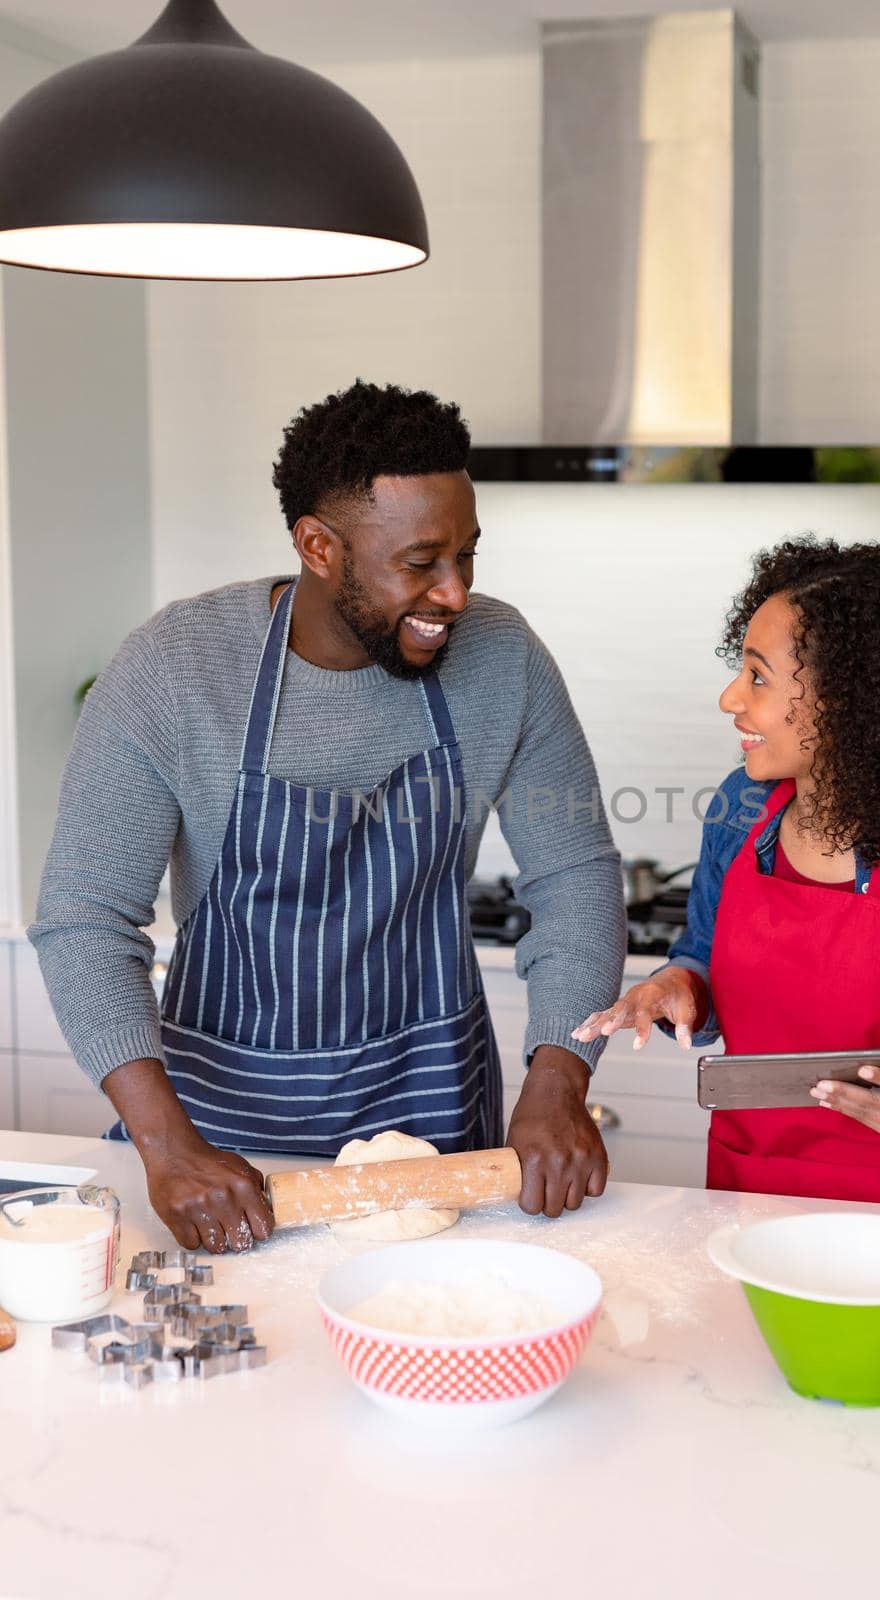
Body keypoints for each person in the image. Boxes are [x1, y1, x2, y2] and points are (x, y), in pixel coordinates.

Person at [31, 380, 626, 1249]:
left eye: (468, 556)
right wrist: (165, 1144)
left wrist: (560, 1077)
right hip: (210, 1131)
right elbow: (84, 919)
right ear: (318, 545)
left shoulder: (504, 659)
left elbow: (573, 876)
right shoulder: (177, 669)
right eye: (421, 563)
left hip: (429, 1114)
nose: (455, 593)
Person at [574, 538, 880, 1208]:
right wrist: (676, 983)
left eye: (755, 677)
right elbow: (702, 958)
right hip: (745, 1198)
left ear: (848, 701)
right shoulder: (739, 808)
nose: (729, 699)